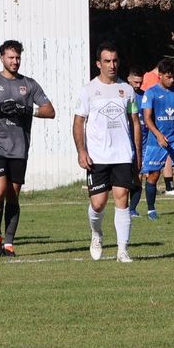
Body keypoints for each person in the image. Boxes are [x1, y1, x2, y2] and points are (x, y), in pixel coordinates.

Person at [0, 39, 55, 255]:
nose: (15, 61)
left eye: (18, 58)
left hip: (19, 148)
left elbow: (50, 111)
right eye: (11, 57)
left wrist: (27, 110)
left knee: (12, 196)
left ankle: (8, 243)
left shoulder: (29, 84)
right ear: (2, 58)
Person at [74, 43, 140, 262]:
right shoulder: (88, 91)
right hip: (97, 157)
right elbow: (78, 122)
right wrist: (81, 151)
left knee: (122, 199)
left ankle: (123, 250)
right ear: (98, 64)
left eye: (115, 60)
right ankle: (97, 233)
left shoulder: (127, 90)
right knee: (98, 204)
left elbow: (135, 122)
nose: (112, 65)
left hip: (122, 155)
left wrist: (136, 154)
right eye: (107, 61)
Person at [135, 58, 174, 222]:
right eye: (169, 77)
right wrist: (158, 135)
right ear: (161, 76)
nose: (172, 80)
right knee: (153, 176)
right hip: (156, 141)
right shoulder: (151, 93)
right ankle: (151, 209)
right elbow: (147, 118)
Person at [126, 66, 146, 216]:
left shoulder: (145, 96)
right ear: (129, 79)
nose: (138, 86)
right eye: (135, 82)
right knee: (126, 178)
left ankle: (132, 209)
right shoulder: (123, 95)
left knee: (139, 176)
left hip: (143, 143)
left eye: (140, 82)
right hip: (125, 143)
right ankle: (123, 207)